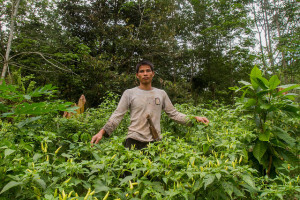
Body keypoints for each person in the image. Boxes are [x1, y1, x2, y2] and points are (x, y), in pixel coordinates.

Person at [90, 60, 209, 149]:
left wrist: (194, 119)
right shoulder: (130, 93)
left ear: (153, 74)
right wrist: (101, 132)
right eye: (141, 71)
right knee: (130, 178)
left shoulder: (161, 93)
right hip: (133, 140)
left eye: (148, 71)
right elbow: (117, 115)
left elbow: (174, 114)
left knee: (154, 179)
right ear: (137, 75)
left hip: (155, 142)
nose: (145, 73)